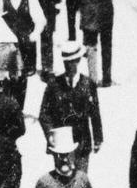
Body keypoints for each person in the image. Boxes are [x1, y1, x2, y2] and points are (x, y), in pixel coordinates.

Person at [39, 42, 103, 172]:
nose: (69, 66)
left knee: (80, 182)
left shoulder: (88, 84)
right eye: (66, 62)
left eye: (72, 62)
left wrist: (98, 138)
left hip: (82, 142)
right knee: (63, 181)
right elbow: (44, 114)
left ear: (78, 61)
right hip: (61, 144)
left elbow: (95, 112)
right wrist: (51, 135)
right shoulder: (54, 85)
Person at [2, 0, 47, 105]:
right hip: (10, 45)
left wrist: (34, 34)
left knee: (25, 76)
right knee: (10, 76)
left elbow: (41, 20)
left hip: (26, 43)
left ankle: (21, 107)